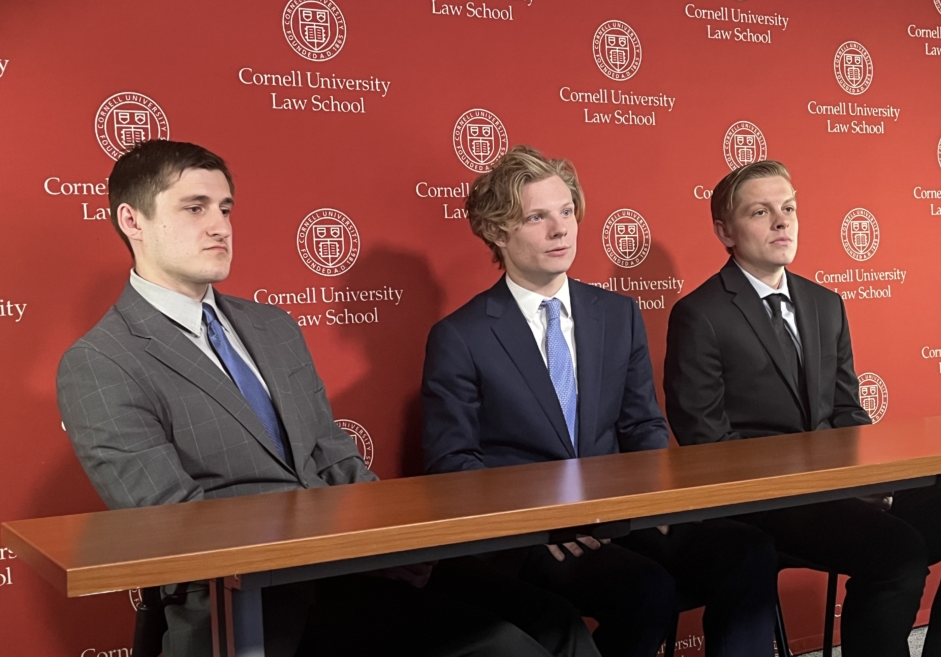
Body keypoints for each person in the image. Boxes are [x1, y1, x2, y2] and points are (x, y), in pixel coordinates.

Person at [56, 139, 596, 657]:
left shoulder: (271, 326)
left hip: (351, 574)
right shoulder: (101, 363)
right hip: (249, 608)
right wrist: (342, 551)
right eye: (195, 208)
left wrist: (396, 545)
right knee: (498, 646)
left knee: (556, 624)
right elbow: (172, 526)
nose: (220, 226)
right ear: (133, 221)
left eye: (225, 207)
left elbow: (334, 456)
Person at [422, 145, 778, 657]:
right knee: (644, 590)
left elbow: (643, 425)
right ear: (497, 232)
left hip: (622, 513)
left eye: (566, 212)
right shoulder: (461, 335)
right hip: (533, 533)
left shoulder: (617, 313)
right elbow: (452, 465)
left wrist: (656, 500)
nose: (560, 229)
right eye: (537, 217)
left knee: (747, 550)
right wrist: (539, 524)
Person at [664, 159, 941, 657]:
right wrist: (829, 486)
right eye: (761, 211)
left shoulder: (825, 303)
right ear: (724, 230)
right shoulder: (700, 314)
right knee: (898, 553)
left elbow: (849, 413)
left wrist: (873, 481)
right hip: (770, 503)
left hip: (851, 485)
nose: (781, 222)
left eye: (789, 208)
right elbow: (707, 445)